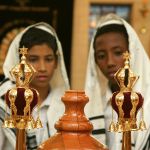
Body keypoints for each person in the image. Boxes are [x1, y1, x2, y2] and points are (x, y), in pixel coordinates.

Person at [84, 13, 150, 150]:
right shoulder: (96, 106)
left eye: (118, 53)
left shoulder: (147, 103)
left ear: (133, 52)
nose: (110, 62)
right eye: (101, 56)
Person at [0, 22, 70, 150]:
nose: (42, 68)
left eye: (48, 59)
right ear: (21, 62)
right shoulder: (6, 102)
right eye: (33, 59)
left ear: (56, 62)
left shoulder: (66, 105)